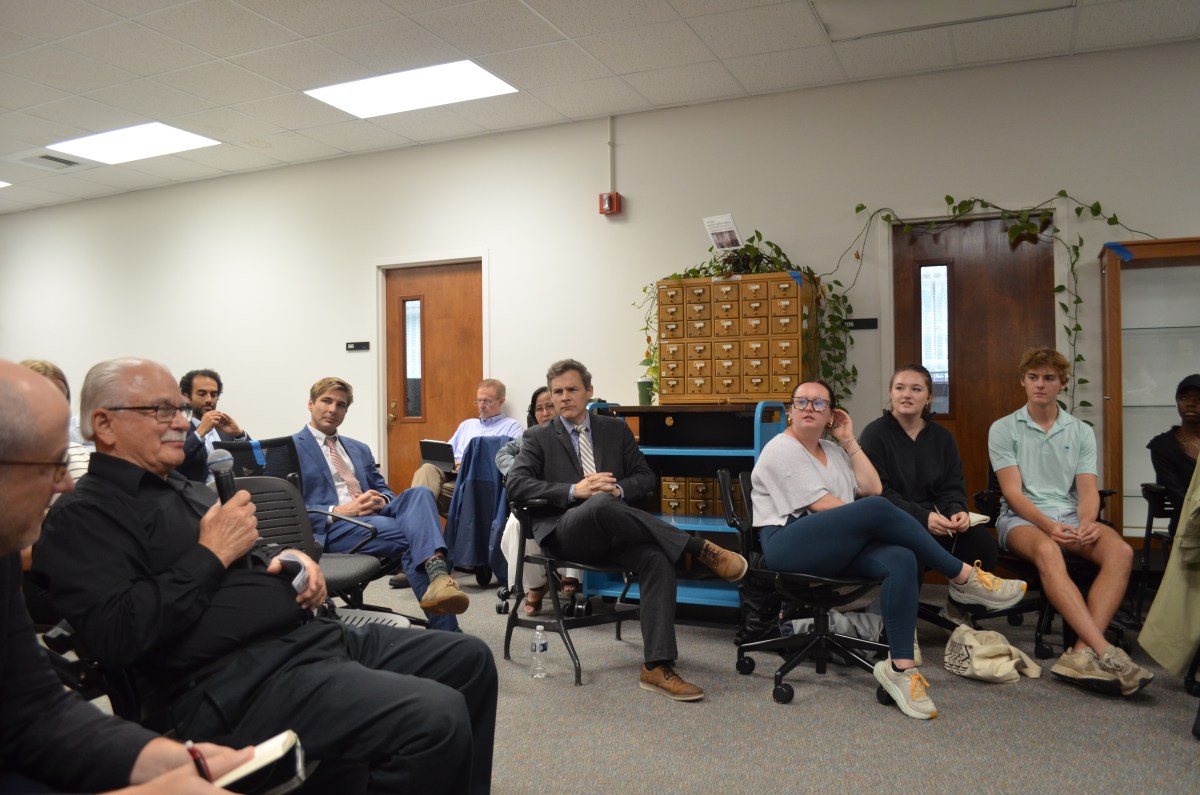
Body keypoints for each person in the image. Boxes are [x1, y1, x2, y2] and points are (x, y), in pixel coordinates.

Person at [32, 358, 497, 794]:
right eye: (160, 410)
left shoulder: (185, 489)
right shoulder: (84, 516)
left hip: (313, 637)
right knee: (434, 718)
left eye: (179, 407)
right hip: (239, 681)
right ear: (104, 424)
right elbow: (119, 635)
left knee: (470, 659)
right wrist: (209, 553)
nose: (181, 420)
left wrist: (295, 559)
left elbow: (251, 550)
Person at [0, 358, 255, 794]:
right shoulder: (82, 516)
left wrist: (171, 759)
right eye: (51, 465)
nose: (63, 484)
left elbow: (33, 711)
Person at [750, 379, 1027, 720]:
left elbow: (872, 486)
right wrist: (868, 520)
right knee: (877, 509)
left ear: (832, 415)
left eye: (819, 404)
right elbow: (825, 506)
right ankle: (962, 575)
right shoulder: (781, 448)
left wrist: (849, 440)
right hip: (788, 544)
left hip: (833, 545)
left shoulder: (834, 451)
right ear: (790, 410)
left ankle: (901, 668)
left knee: (901, 558)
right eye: (802, 402)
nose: (809, 408)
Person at [507, 359, 749, 701]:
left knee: (655, 557)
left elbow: (645, 477)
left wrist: (618, 489)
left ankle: (657, 666)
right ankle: (697, 548)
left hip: (616, 533)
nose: (563, 398)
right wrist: (577, 490)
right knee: (599, 502)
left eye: (572, 390)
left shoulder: (614, 430)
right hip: (566, 535)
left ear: (589, 392)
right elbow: (515, 485)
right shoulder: (537, 437)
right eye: (557, 392)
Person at [989, 346, 1152, 697]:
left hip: (1069, 514)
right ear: (1023, 381)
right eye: (1033, 378)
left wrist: (1089, 521)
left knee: (1121, 552)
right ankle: (1105, 651)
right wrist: (1048, 526)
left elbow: (1087, 489)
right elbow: (1014, 495)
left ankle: (1079, 653)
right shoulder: (1003, 429)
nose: (1040, 384)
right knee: (1048, 550)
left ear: (1062, 384)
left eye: (1049, 378)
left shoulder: (1080, 431)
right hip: (1020, 520)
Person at [294, 377, 470, 630]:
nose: (333, 409)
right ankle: (445, 612)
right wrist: (340, 510)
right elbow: (289, 509)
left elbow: (386, 490)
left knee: (419, 494)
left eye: (341, 405)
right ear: (311, 404)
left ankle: (439, 579)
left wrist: (381, 498)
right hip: (334, 526)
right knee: (415, 536)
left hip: (374, 515)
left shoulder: (359, 448)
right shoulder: (290, 448)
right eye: (326, 401)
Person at [859, 364, 999, 620]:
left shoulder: (942, 438)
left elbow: (951, 486)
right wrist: (923, 518)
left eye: (916, 389)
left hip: (935, 521)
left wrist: (956, 510)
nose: (906, 395)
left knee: (982, 543)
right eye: (899, 388)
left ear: (929, 397)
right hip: (889, 522)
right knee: (907, 552)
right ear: (891, 393)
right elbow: (878, 493)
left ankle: (958, 613)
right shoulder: (874, 434)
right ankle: (900, 626)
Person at [496, 386, 581, 615]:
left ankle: (569, 574)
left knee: (575, 517)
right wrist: (520, 472)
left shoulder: (575, 434)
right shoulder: (528, 437)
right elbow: (502, 454)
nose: (544, 413)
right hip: (532, 502)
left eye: (549, 407)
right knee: (516, 525)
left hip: (566, 501)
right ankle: (535, 585)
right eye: (539, 409)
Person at [411, 379, 524, 513]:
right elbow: (448, 451)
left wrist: (468, 464)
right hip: (452, 473)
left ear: (501, 401)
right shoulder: (467, 425)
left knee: (428, 494)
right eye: (478, 401)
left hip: (475, 480)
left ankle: (413, 522)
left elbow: (507, 461)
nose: (481, 406)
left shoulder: (512, 427)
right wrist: (453, 462)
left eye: (486, 401)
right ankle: (417, 522)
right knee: (427, 468)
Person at [1146, 373, 1200, 533]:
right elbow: (1177, 495)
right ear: (1176, 402)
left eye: (1199, 399)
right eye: (1184, 398)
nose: (1191, 403)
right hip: (1187, 524)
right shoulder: (1163, 446)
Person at [177, 369, 249, 483]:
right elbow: (175, 464)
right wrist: (199, 433)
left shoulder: (224, 429)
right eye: (202, 394)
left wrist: (239, 434)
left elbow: (257, 465)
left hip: (233, 492)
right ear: (186, 396)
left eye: (214, 394)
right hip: (196, 497)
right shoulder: (175, 428)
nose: (209, 400)